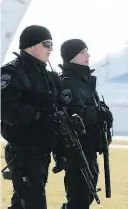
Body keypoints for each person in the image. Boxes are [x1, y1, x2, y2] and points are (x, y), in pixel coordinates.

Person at [1, 25, 60, 209]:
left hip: (41, 150)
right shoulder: (12, 72)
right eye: (47, 43)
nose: (50, 49)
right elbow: (5, 107)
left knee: (22, 204)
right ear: (31, 46)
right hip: (23, 151)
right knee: (34, 204)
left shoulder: (46, 75)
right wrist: (38, 116)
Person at [56, 39, 113, 209]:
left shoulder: (84, 80)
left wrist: (103, 111)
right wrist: (98, 114)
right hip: (76, 149)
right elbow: (73, 114)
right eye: (83, 52)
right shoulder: (68, 82)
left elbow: (90, 106)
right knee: (79, 198)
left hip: (89, 147)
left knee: (85, 196)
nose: (88, 55)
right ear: (72, 56)